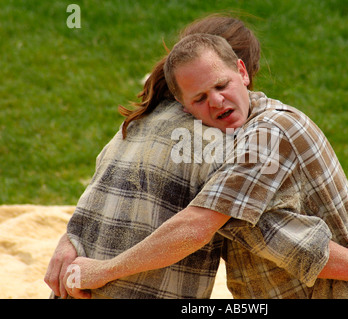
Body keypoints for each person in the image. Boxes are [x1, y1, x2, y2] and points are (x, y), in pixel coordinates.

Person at [59, 33, 348, 299]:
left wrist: (102, 272)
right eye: (200, 98)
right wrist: (69, 240)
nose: (216, 101)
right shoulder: (224, 143)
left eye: (222, 85)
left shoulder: (268, 134)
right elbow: (285, 238)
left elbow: (196, 227)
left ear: (243, 73)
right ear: (185, 108)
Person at [45, 14, 262, 299]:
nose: (218, 100)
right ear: (243, 71)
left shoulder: (139, 121)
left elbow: (97, 195)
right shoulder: (221, 145)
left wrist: (68, 239)